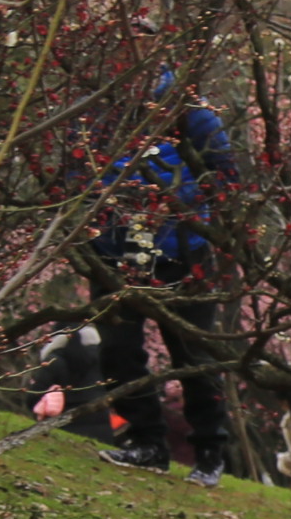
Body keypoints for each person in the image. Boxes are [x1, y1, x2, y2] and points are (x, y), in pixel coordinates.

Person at [86, 88, 236, 482]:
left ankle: (210, 450)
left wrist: (178, 203)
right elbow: (76, 166)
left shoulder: (190, 109)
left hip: (180, 249)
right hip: (113, 247)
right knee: (118, 349)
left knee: (192, 353)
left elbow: (225, 173)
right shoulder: (94, 102)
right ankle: (145, 443)